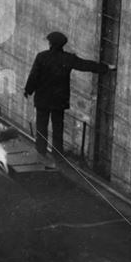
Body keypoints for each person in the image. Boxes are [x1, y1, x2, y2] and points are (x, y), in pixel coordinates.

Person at [23, 31, 113, 164]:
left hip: (43, 99)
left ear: (50, 43)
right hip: (59, 100)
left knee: (41, 126)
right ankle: (57, 154)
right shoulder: (68, 58)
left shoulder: (42, 57)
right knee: (58, 126)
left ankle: (41, 150)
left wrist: (28, 90)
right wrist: (106, 68)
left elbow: (34, 76)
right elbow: (86, 65)